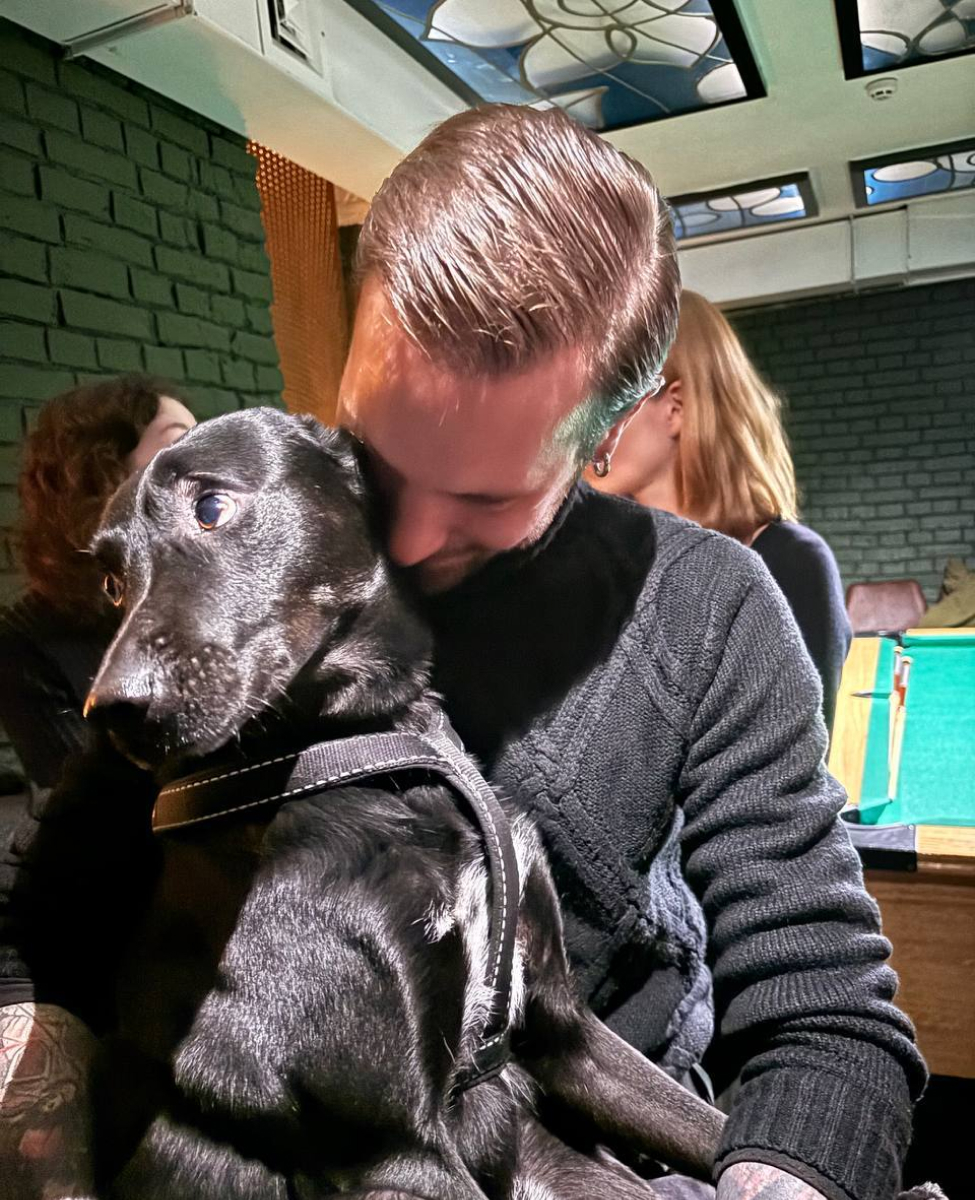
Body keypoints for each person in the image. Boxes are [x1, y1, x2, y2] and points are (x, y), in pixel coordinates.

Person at [0, 107, 923, 1200]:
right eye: (386, 440)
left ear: (608, 433)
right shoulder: (257, 565)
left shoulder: (709, 605)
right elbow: (41, 926)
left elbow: (824, 1013)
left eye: (485, 494)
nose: (409, 532)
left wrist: (787, 1174)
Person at [587, 289, 851, 731]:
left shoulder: (792, 563)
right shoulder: (605, 567)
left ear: (675, 408)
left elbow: (790, 757)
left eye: (606, 402)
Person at [0, 376, 196, 791]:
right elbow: (92, 808)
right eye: (180, 442)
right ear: (101, 476)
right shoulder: (26, 640)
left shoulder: (216, 590)